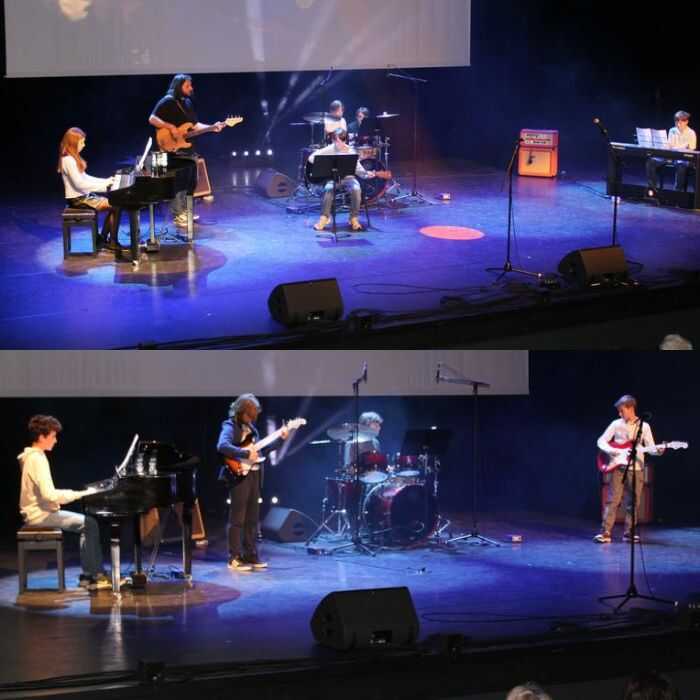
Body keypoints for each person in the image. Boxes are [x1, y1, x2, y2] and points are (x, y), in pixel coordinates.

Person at [17, 415, 109, 590]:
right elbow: (50, 495)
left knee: (88, 524)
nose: (56, 440)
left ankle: (89, 575)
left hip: (39, 512)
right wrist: (80, 494)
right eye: (53, 436)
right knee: (89, 524)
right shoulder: (37, 459)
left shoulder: (31, 456)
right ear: (42, 437)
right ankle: (95, 575)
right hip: (40, 516)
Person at [217, 394, 289, 571]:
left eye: (253, 416)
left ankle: (250, 554)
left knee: (252, 519)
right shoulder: (229, 425)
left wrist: (281, 439)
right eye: (248, 415)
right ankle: (234, 558)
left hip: (254, 475)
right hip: (239, 475)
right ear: (240, 411)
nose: (251, 419)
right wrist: (245, 453)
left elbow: (263, 450)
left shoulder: (252, 430)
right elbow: (222, 446)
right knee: (237, 519)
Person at [148, 74, 224, 228]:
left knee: (191, 181)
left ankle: (185, 211)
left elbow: (195, 125)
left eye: (191, 85)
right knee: (179, 181)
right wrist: (170, 127)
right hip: (172, 148)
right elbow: (152, 119)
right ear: (178, 86)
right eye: (187, 86)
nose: (191, 88)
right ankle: (178, 214)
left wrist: (212, 127)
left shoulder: (187, 103)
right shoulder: (167, 101)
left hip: (188, 147)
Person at [594, 395, 665, 544]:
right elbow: (601, 441)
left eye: (622, 410)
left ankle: (629, 533)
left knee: (634, 502)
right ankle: (605, 532)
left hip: (637, 469)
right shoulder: (616, 424)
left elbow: (651, 447)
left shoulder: (644, 426)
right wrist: (613, 451)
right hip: (619, 467)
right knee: (613, 500)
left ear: (630, 408)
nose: (619, 413)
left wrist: (659, 450)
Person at [308, 128, 391, 232]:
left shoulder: (350, 151)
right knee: (329, 188)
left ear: (345, 140)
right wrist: (324, 163)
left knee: (356, 188)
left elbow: (359, 170)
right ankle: (324, 218)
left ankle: (353, 218)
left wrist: (367, 174)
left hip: (349, 178)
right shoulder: (329, 149)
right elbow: (311, 158)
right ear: (333, 140)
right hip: (334, 179)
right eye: (336, 140)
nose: (339, 143)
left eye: (341, 140)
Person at [58, 127, 120, 251]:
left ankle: (103, 240)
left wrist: (107, 181)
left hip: (83, 196)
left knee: (116, 204)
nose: (84, 145)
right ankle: (111, 242)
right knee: (116, 205)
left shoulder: (72, 158)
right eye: (82, 142)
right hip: (78, 199)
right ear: (74, 143)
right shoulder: (68, 160)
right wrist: (104, 187)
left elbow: (86, 177)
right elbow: (79, 184)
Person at [646, 110, 697, 192]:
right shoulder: (672, 130)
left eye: (681, 122)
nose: (678, 124)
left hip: (683, 158)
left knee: (681, 165)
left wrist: (679, 148)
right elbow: (669, 145)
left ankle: (677, 192)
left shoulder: (691, 133)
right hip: (671, 156)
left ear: (686, 122)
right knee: (651, 161)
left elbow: (692, 149)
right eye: (676, 122)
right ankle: (652, 189)